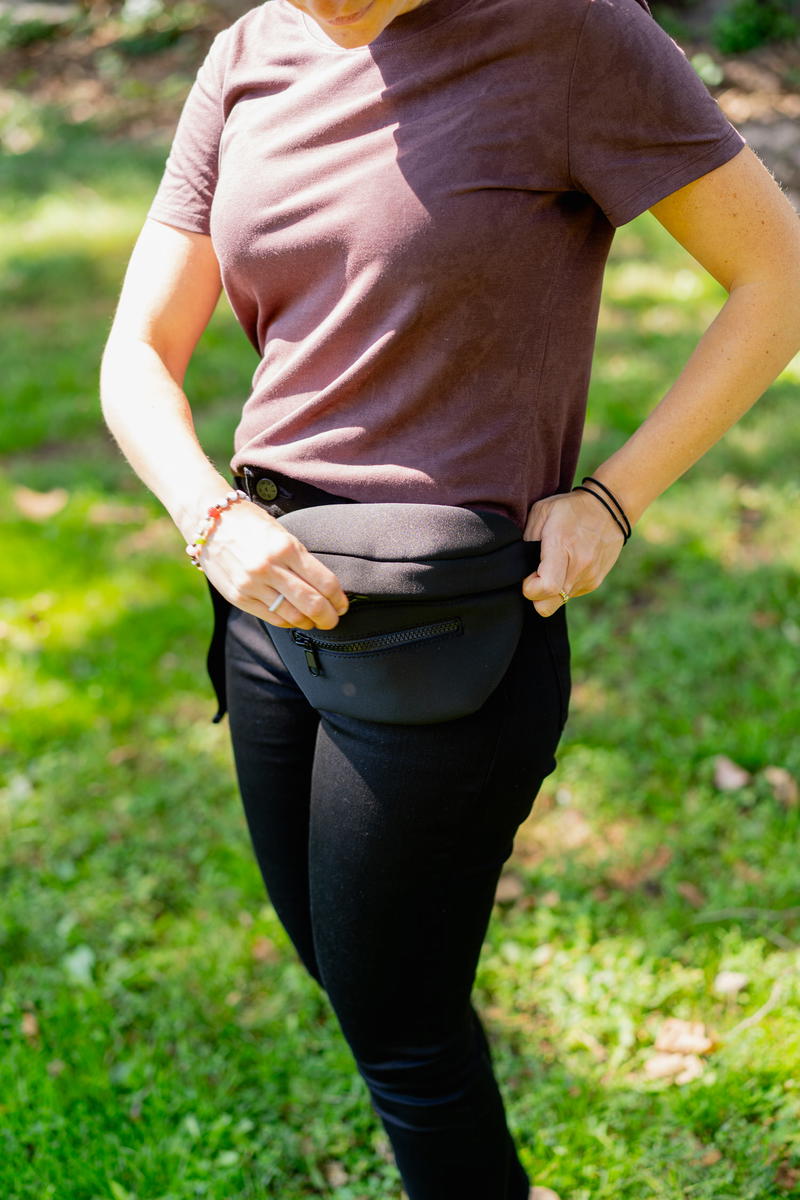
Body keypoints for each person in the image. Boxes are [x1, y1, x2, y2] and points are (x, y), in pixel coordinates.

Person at [100, 0, 800, 1194]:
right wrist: (207, 516)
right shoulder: (248, 55)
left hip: (452, 624)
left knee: (401, 1030)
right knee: (353, 973)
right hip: (262, 585)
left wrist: (613, 496)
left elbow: (775, 277)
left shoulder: (572, 35)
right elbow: (137, 348)